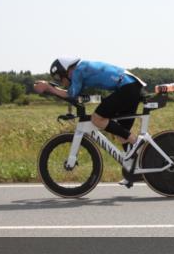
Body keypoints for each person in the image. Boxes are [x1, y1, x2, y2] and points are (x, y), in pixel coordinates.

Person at [33, 56, 145, 187]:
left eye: (60, 78)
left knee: (97, 118)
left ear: (67, 71)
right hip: (130, 86)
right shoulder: (82, 69)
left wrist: (48, 87)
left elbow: (71, 94)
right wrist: (50, 87)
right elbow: (75, 94)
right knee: (121, 134)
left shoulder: (79, 70)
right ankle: (132, 171)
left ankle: (136, 141)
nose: (61, 82)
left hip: (127, 87)